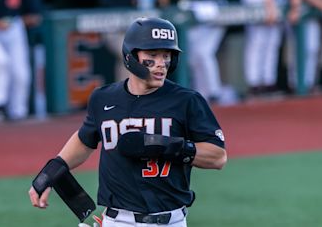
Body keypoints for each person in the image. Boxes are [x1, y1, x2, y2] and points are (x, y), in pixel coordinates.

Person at [28, 17, 227, 227]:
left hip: (170, 221)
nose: (161, 63)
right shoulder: (103, 98)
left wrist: (166, 145)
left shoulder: (186, 100)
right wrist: (51, 171)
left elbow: (218, 157)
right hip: (117, 221)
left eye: (166, 55)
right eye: (152, 55)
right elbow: (84, 140)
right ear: (131, 56)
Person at [0, 0, 40, 120]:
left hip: (14, 26)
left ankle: (19, 112)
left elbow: (35, 14)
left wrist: (23, 19)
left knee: (20, 74)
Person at [285, 0, 322, 94]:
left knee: (313, 49)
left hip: (310, 13)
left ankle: (310, 83)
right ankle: (295, 85)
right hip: (296, 10)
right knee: (300, 50)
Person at [184, 0, 227, 103]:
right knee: (194, 58)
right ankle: (202, 93)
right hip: (193, 8)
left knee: (204, 53)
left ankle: (214, 92)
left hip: (214, 9)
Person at [242, 0, 283, 97]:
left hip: (275, 3)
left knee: (272, 44)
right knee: (256, 43)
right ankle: (254, 83)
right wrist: (269, 4)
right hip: (257, 2)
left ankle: (269, 82)